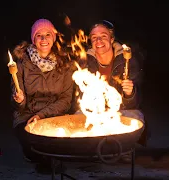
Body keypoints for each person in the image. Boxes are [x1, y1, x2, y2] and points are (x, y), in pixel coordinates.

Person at [75, 20, 149, 162]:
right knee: (78, 117)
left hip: (122, 111)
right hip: (97, 112)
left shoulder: (128, 60)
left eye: (103, 36)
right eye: (94, 37)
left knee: (136, 117)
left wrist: (129, 94)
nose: (99, 41)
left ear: (112, 38)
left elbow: (136, 102)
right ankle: (98, 150)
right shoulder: (85, 61)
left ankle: (123, 148)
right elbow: (82, 96)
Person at [10, 19, 74, 168]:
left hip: (54, 116)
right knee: (36, 146)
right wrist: (19, 100)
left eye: (48, 34)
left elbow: (65, 100)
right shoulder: (21, 64)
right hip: (27, 117)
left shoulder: (65, 64)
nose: (44, 39)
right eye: (39, 35)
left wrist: (42, 115)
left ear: (53, 38)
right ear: (34, 39)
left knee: (62, 143)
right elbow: (18, 106)